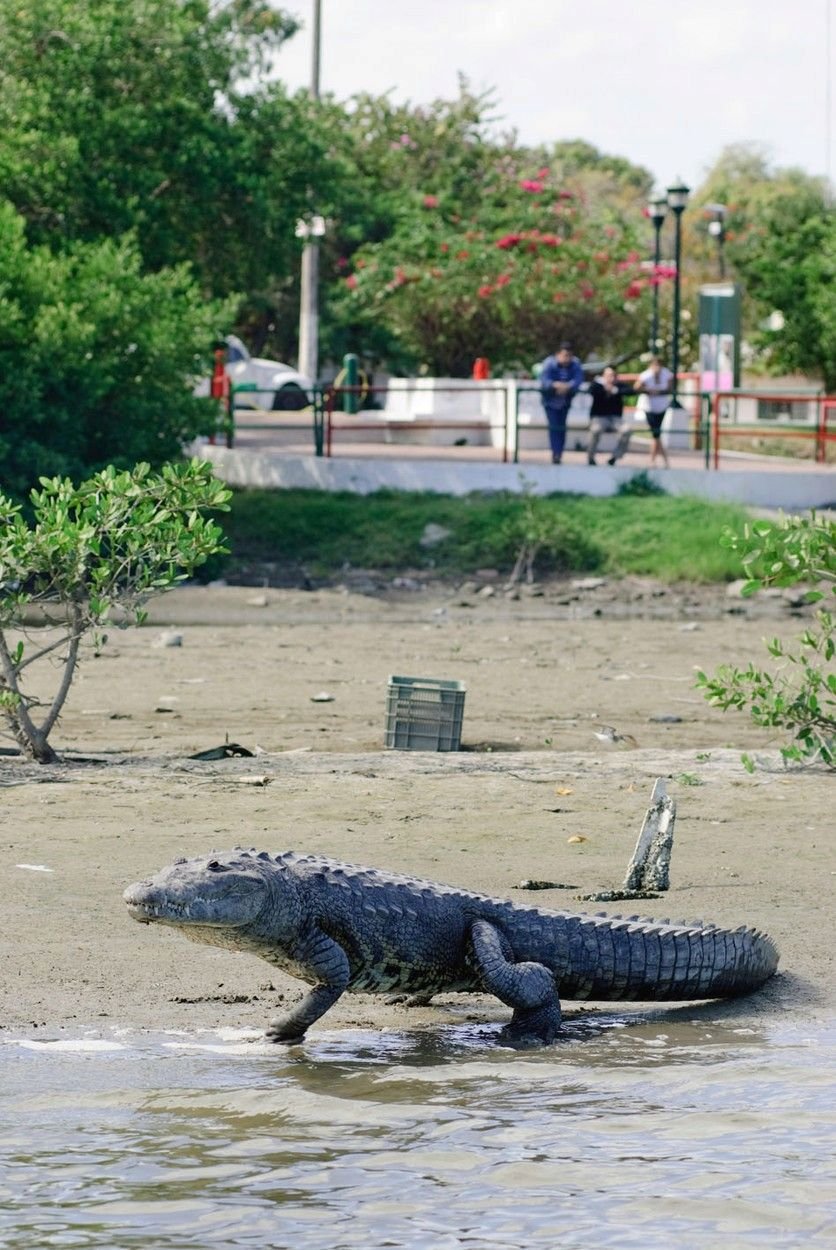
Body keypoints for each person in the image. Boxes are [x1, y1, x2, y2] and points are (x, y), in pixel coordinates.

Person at [539, 342, 585, 464]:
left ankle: (559, 453)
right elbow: (544, 380)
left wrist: (567, 386)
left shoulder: (575, 363)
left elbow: (578, 379)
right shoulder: (549, 363)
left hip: (565, 402)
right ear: (558, 354)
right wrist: (555, 385)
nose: (567, 358)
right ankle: (556, 453)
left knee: (562, 427)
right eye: (565, 355)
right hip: (550, 401)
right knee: (554, 427)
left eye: (569, 355)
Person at [586, 365, 634, 465]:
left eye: (613, 375)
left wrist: (615, 390)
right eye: (608, 375)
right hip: (599, 417)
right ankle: (590, 457)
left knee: (627, 430)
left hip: (615, 418)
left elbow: (631, 391)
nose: (610, 378)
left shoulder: (618, 386)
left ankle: (615, 456)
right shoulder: (597, 385)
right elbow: (591, 390)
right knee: (595, 430)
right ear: (603, 376)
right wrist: (605, 390)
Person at [633, 356, 673, 468]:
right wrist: (648, 390)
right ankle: (661, 460)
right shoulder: (646, 375)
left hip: (662, 407)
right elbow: (636, 388)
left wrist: (660, 391)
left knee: (656, 434)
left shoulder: (666, 374)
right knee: (656, 433)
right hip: (649, 408)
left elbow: (670, 388)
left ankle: (655, 460)